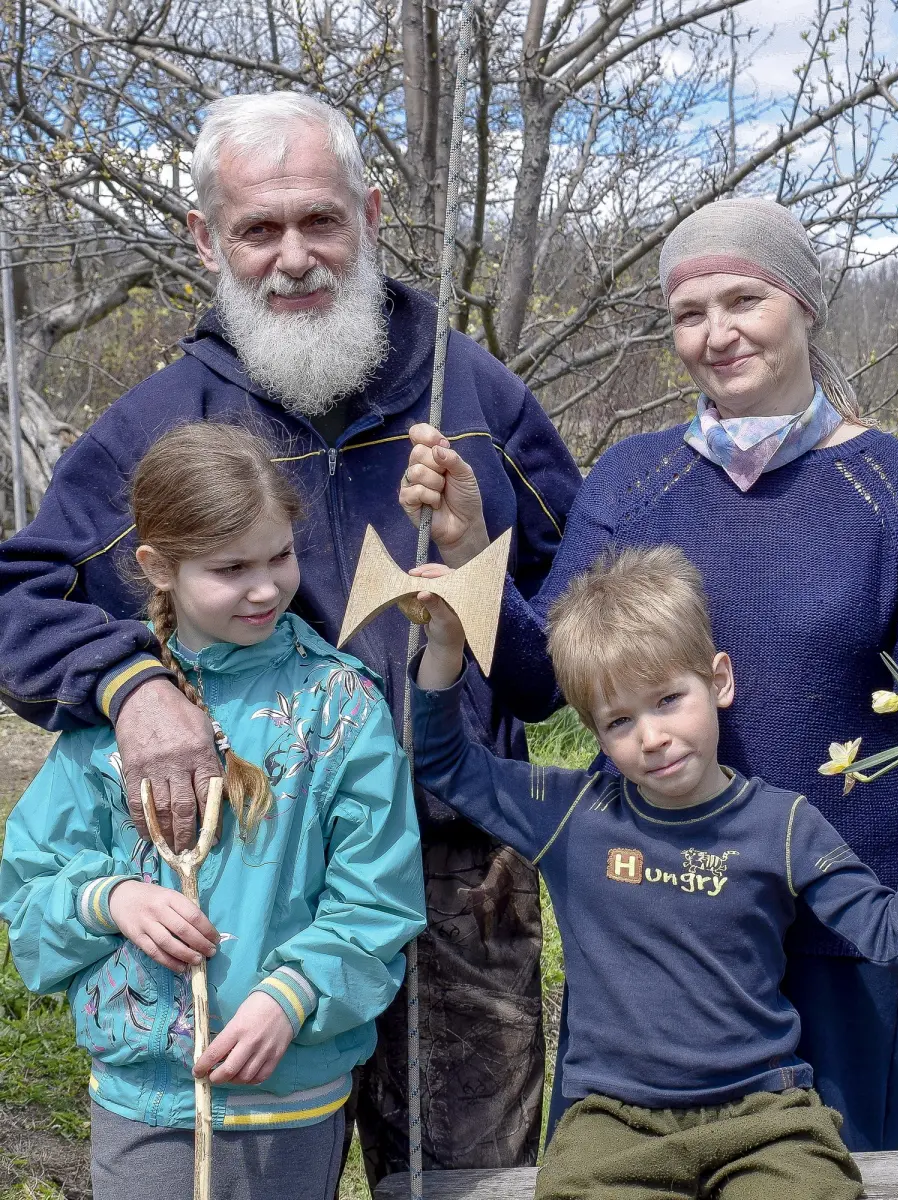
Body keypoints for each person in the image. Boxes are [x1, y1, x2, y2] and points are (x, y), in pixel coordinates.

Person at [0, 92, 582, 1180]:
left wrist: (469, 577)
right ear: (204, 238)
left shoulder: (478, 401)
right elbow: (19, 594)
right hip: (240, 890)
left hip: (455, 884)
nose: (295, 256)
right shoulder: (158, 426)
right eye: (259, 229)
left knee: (468, 1189)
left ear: (368, 213)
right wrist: (134, 686)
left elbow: (571, 651)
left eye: (320, 220)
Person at [399, 196, 898, 1150]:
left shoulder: (894, 480)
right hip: (665, 921)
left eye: (745, 300)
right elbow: (539, 680)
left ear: (804, 304)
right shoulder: (633, 478)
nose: (717, 333)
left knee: (832, 1172)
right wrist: (474, 551)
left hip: (837, 910)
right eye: (691, 313)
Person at [406, 543, 898, 1199]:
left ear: (718, 681)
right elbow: (441, 762)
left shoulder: (783, 826)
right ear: (594, 732)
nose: (651, 736)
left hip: (763, 1118)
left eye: (667, 700)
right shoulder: (571, 815)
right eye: (619, 720)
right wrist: (446, 645)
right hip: (612, 1124)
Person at [0, 424, 425, 1200]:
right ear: (157, 568)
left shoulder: (340, 709)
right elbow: (30, 886)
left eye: (279, 557)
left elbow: (379, 899)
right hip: (143, 1107)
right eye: (230, 569)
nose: (265, 588)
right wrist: (113, 897)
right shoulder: (114, 719)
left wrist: (290, 997)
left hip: (290, 1096)